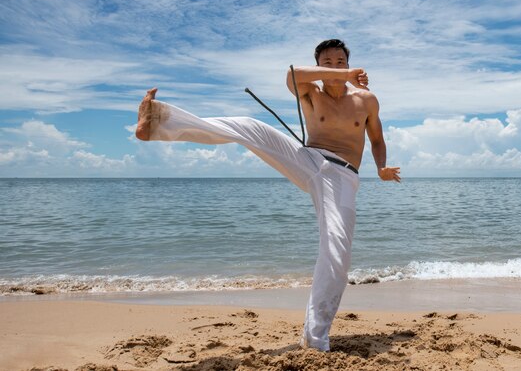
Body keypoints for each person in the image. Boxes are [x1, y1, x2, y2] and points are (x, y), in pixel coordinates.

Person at [135, 39, 401, 351]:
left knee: (338, 255)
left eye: (340, 61)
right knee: (249, 126)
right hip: (308, 160)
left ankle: (315, 340)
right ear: (317, 66)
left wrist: (381, 167)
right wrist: (343, 75)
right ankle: (155, 123)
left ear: (349, 63)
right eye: (325, 62)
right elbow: (291, 75)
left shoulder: (367, 100)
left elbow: (377, 139)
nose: (333, 66)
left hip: (342, 177)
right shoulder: (310, 91)